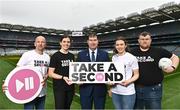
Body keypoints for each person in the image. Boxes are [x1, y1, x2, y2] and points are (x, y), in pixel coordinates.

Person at [131, 32, 179, 109]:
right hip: (136, 88)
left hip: (154, 89)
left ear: (150, 40)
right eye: (142, 39)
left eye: (147, 39)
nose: (144, 41)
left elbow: (175, 57)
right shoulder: (132, 52)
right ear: (138, 41)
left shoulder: (158, 51)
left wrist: (173, 67)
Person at [2, 35, 50, 110]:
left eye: (42, 42)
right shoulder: (27, 55)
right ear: (35, 44)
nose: (40, 44)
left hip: (42, 93)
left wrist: (46, 77)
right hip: (29, 92)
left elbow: (48, 72)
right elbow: (17, 71)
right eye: (38, 42)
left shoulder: (47, 57)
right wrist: (7, 83)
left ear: (45, 44)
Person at [77, 33, 110, 109]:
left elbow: (108, 71)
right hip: (85, 89)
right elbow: (77, 71)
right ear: (87, 42)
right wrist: (78, 80)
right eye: (91, 40)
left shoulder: (104, 54)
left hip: (100, 90)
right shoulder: (81, 54)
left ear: (98, 41)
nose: (93, 42)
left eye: (95, 40)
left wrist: (110, 86)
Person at [109, 36, 139, 109]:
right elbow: (113, 74)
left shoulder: (132, 58)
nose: (119, 46)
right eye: (117, 45)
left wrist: (128, 81)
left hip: (128, 91)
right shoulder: (114, 57)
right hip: (115, 91)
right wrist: (110, 88)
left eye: (121, 44)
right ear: (115, 46)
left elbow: (136, 74)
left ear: (125, 45)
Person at [48, 35, 74, 109]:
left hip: (70, 87)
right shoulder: (55, 56)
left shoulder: (71, 56)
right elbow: (50, 73)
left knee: (67, 107)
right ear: (60, 43)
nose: (66, 43)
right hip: (59, 88)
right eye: (64, 41)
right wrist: (63, 77)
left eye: (68, 42)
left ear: (70, 43)